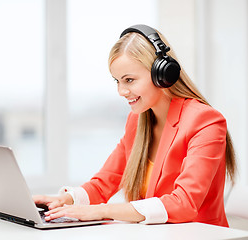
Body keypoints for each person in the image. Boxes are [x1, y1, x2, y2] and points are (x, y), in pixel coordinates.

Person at [33, 24, 236, 227]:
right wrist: (65, 201)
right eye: (117, 81)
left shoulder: (205, 121)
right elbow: (105, 182)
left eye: (129, 80)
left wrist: (101, 211)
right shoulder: (137, 121)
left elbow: (184, 203)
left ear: (163, 74)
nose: (121, 91)